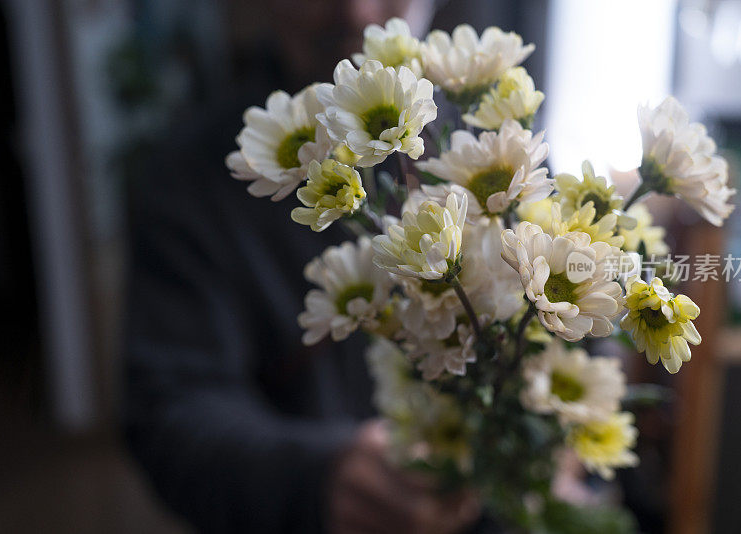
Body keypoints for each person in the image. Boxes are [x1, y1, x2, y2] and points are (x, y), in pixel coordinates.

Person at [123, 1, 481, 532]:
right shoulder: (189, 182)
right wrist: (317, 475)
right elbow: (170, 413)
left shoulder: (490, 134)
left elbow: (567, 339)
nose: (358, 11)